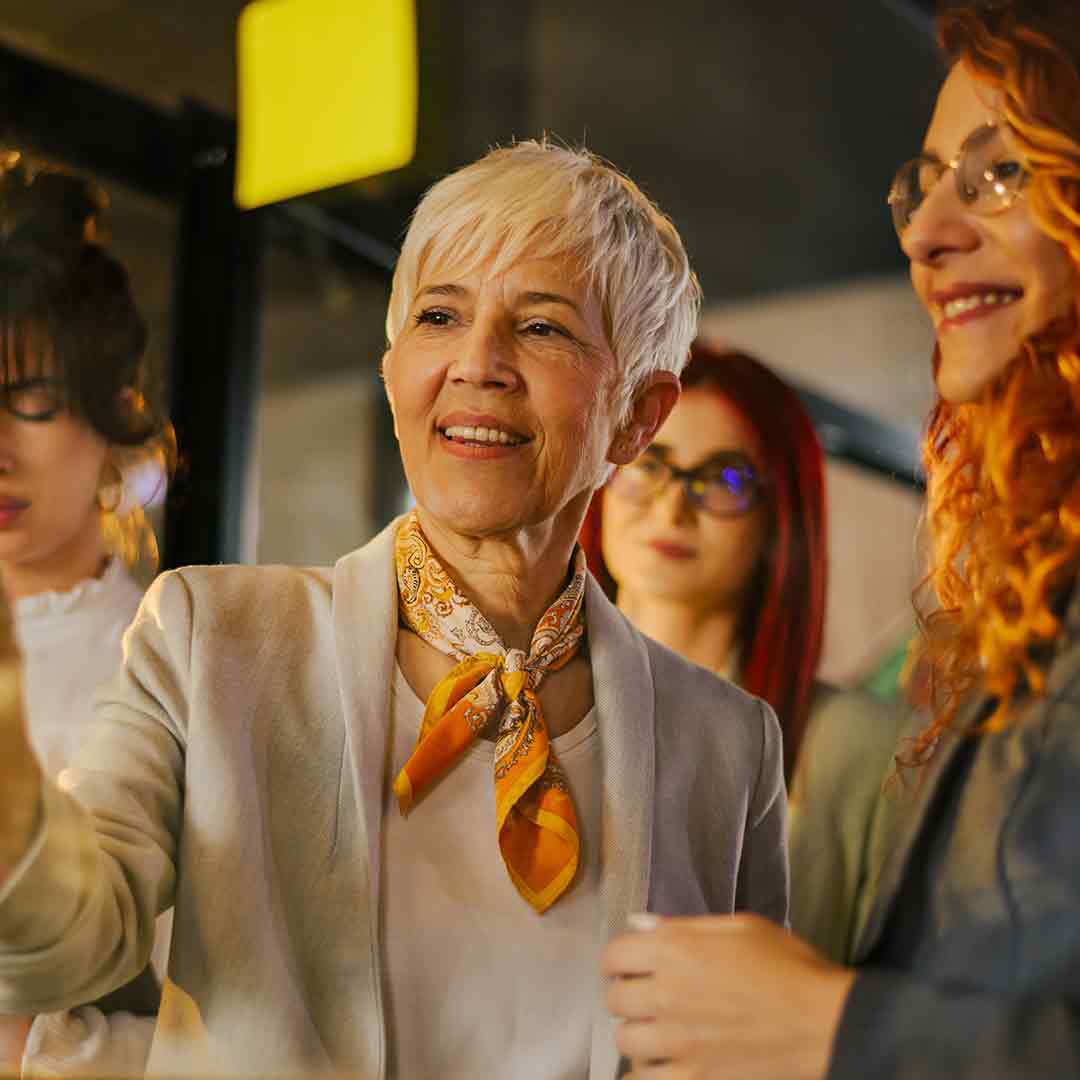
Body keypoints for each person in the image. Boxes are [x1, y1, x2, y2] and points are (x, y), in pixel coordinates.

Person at [0, 139, 788, 1079]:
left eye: (541, 329)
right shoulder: (214, 639)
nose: (477, 364)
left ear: (638, 415)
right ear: (391, 369)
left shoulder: (729, 750)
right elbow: (71, 943)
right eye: (440, 315)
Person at [602, 1, 1080, 1075]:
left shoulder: (852, 750)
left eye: (1000, 171)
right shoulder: (1020, 595)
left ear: (785, 529)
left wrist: (827, 1026)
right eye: (924, 184)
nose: (926, 232)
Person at [582, 341, 908, 962]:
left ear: (778, 523)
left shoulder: (859, 750)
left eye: (725, 479)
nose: (673, 507)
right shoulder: (511, 710)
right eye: (648, 464)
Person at [0, 155, 173, 1078]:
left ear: (117, 412)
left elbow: (247, 1020)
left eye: (31, 402)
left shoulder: (167, 671)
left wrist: (38, 1050)